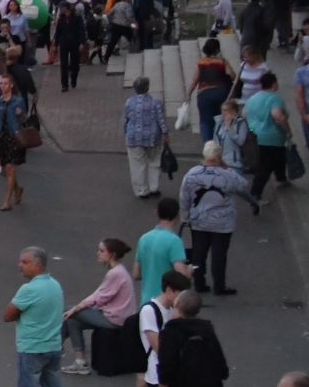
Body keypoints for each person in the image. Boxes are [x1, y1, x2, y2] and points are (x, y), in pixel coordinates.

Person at [4, 246, 78, 387]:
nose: (20, 265)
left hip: (31, 351)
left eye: (24, 262)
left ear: (37, 265)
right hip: (53, 348)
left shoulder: (28, 290)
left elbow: (8, 314)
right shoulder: (55, 286)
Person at [180, 141, 252, 297]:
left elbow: (184, 197)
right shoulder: (226, 175)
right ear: (219, 156)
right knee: (219, 255)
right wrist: (227, 168)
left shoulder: (192, 174)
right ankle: (219, 286)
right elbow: (243, 185)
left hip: (199, 220)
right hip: (223, 222)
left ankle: (199, 283)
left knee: (199, 252)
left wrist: (185, 217)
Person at [59, 238, 135, 374]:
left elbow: (98, 297)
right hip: (116, 316)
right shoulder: (119, 270)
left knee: (69, 311)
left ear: (112, 254)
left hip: (115, 319)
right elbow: (101, 295)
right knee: (73, 320)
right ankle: (79, 362)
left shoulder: (115, 273)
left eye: (101, 251)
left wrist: (77, 307)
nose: (97, 253)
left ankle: (56, 345)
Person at [247, 70, 293, 202]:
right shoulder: (274, 98)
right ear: (274, 84)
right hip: (271, 137)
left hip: (255, 136)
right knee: (265, 167)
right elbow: (277, 117)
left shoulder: (252, 98)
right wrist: (288, 130)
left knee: (279, 157)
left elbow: (245, 114)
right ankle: (255, 194)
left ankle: (281, 178)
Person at [0, 74, 29, 211]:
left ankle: (7, 201)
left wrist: (20, 114)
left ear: (11, 85)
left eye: (5, 84)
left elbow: (24, 119)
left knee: (10, 168)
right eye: (1, 84)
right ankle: (17, 189)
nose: (2, 86)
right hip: (1, 137)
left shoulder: (18, 101)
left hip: (14, 138)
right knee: (8, 169)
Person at [123, 77, 169, 199]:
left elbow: (126, 120)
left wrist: (126, 133)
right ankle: (154, 188)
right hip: (153, 138)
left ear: (135, 88)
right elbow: (161, 120)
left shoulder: (129, 102)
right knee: (155, 162)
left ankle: (142, 190)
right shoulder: (156, 102)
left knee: (137, 165)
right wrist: (165, 133)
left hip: (134, 138)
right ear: (147, 87)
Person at [188, 38, 234, 145]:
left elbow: (195, 80)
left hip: (204, 95)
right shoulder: (222, 62)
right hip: (222, 94)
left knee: (205, 121)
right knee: (222, 119)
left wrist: (188, 94)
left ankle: (209, 148)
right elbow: (232, 76)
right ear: (217, 50)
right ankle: (222, 144)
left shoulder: (201, 62)